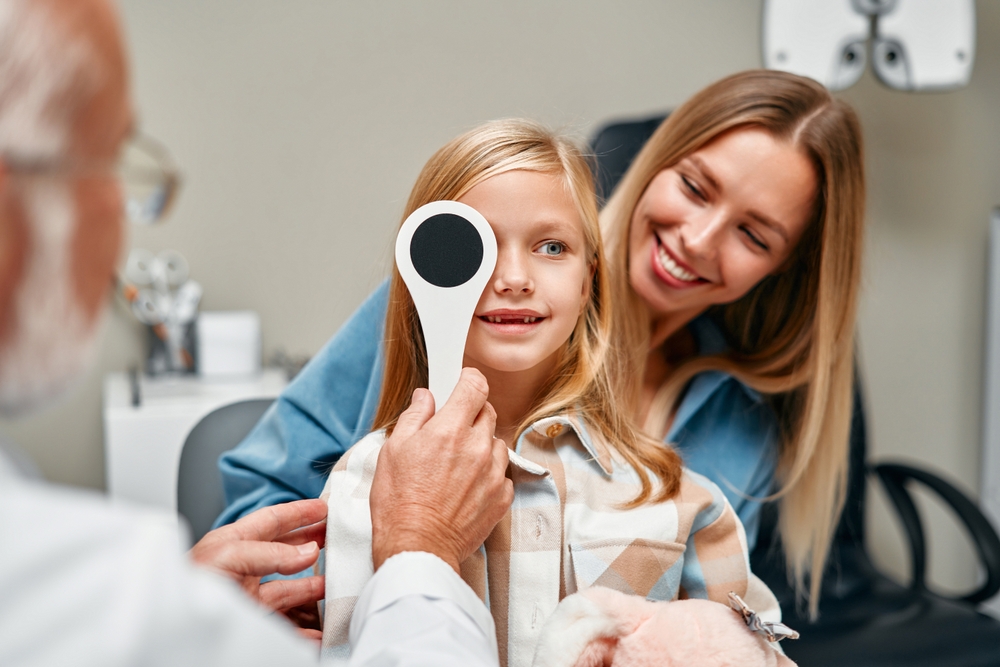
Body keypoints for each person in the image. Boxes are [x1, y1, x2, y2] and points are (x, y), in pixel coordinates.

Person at [218, 70, 864, 614]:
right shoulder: (453, 299)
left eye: (753, 234)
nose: (698, 238)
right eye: (695, 187)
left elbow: (709, 620)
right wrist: (322, 603)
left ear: (784, 267)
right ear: (655, 161)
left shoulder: (740, 424)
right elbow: (261, 502)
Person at [0, 0, 511, 664]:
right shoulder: (97, 598)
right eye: (114, 170)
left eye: (554, 247)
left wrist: (185, 608)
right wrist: (423, 547)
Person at [317, 119, 780, 667]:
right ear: (425, 273)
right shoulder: (364, 487)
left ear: (589, 281)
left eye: (552, 246)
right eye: (477, 246)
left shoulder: (678, 504)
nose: (514, 277)